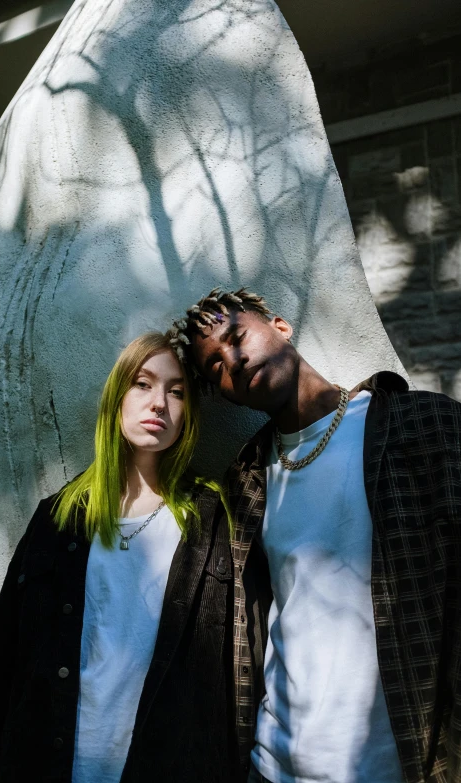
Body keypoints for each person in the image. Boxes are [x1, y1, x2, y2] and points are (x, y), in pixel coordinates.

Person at [169, 289, 461, 783]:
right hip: (273, 766)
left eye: (237, 336)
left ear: (280, 326)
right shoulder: (246, 485)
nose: (234, 360)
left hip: (403, 766)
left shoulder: (427, 426)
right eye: (215, 366)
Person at [0, 331, 236, 783]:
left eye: (177, 391)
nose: (159, 402)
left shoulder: (209, 518)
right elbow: (2, 667)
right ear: (115, 399)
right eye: (142, 384)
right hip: (52, 762)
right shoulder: (57, 517)